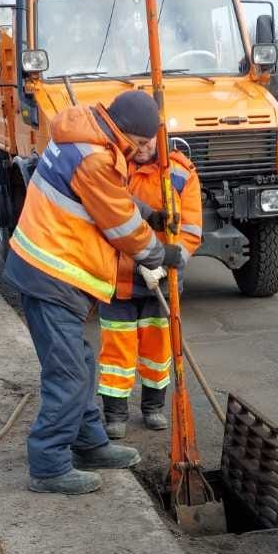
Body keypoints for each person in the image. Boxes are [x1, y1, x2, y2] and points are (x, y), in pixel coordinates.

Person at [2, 89, 183, 495]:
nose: (145, 151)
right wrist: (161, 253)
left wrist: (148, 211)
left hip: (51, 270)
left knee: (78, 363)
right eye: (142, 144)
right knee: (67, 373)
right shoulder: (97, 156)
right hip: (52, 273)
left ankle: (89, 443)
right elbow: (120, 226)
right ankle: (49, 466)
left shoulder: (88, 136)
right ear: (127, 133)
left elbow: (106, 196)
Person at [97, 145, 201, 436]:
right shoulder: (112, 167)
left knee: (157, 348)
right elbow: (106, 218)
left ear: (159, 137)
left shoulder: (180, 172)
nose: (142, 147)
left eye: (148, 141)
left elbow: (191, 231)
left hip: (162, 279)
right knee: (117, 351)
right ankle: (115, 414)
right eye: (138, 139)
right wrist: (137, 259)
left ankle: (153, 408)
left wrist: (166, 264)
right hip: (119, 279)